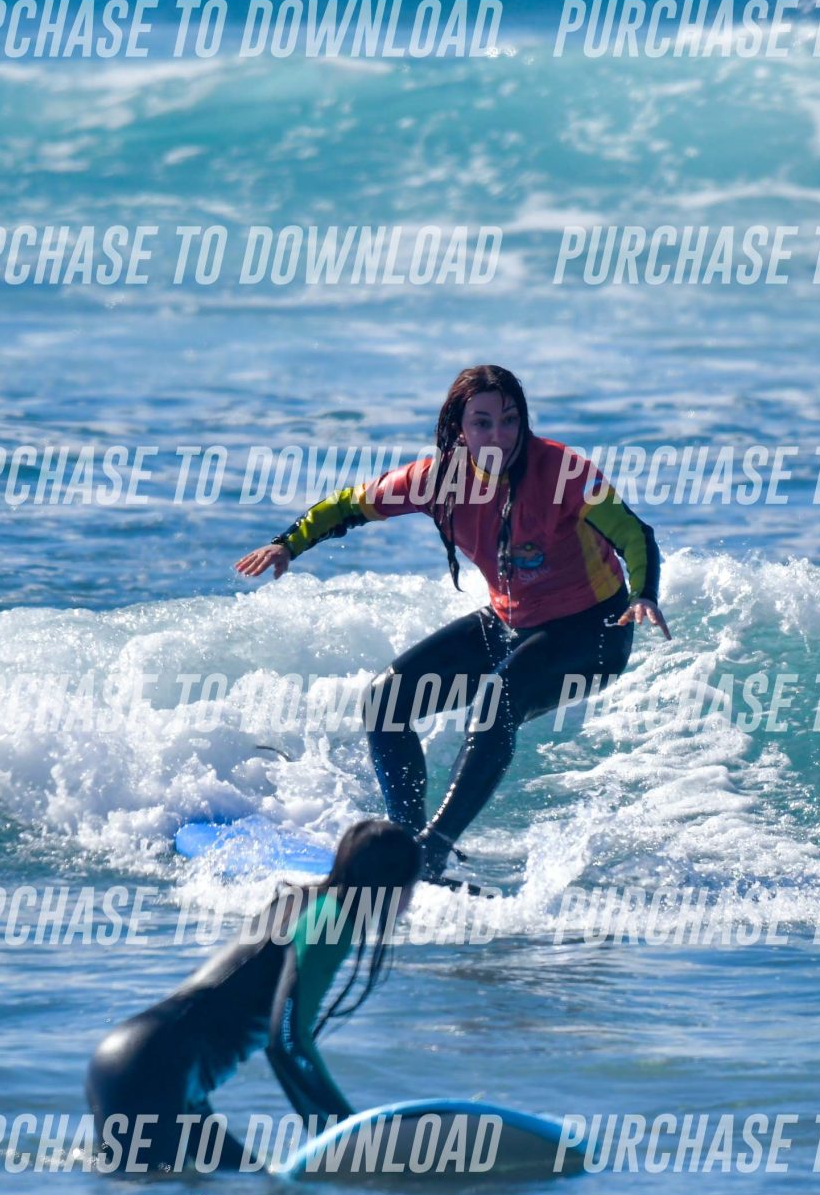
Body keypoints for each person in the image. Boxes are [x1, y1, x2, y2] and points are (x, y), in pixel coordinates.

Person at [232, 367, 668, 880]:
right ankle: (409, 844)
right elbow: (349, 505)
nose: (498, 436)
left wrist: (643, 593)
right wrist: (288, 544)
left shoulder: (562, 471)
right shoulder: (438, 480)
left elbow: (633, 533)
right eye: (482, 423)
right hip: (512, 621)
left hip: (594, 630)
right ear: (459, 428)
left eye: (509, 420)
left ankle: (433, 848)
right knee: (386, 701)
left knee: (498, 700)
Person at [84, 820, 421, 1173]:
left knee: (249, 1184)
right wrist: (351, 1134)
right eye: (411, 886)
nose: (410, 900)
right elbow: (287, 1041)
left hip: (153, 1068)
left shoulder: (302, 901)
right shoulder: (331, 919)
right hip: (152, 1071)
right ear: (392, 883)